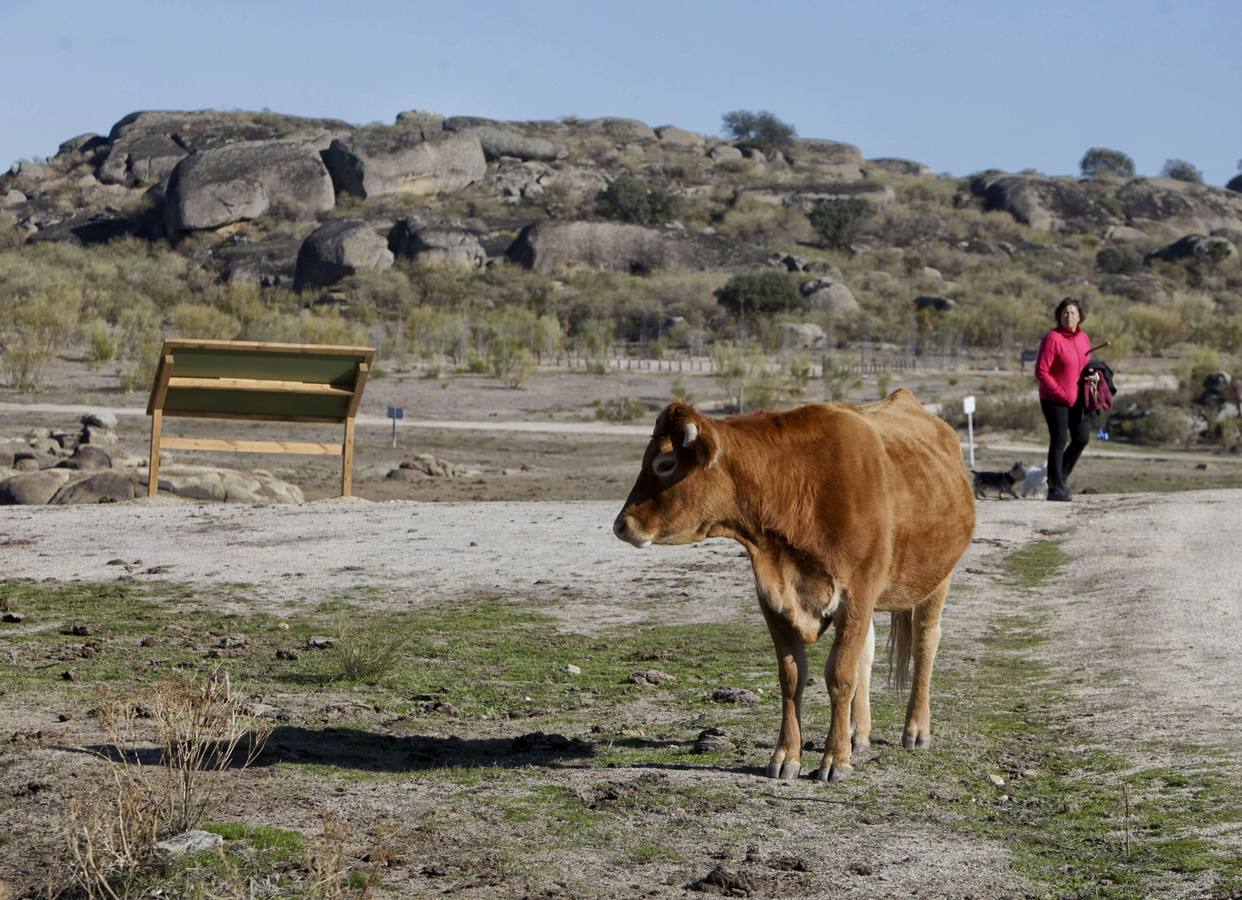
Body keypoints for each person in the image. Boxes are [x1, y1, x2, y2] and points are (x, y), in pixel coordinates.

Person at [1035, 297, 1100, 501]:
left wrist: (1095, 376)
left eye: (1072, 312)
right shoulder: (1052, 339)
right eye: (1064, 313)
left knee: (1082, 438)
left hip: (1079, 398)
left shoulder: (1084, 339)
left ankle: (1058, 478)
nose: (1068, 316)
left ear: (1079, 316)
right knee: (1059, 439)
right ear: (1058, 317)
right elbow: (1041, 371)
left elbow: (1085, 365)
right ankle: (1055, 489)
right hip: (1054, 399)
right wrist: (1061, 392)